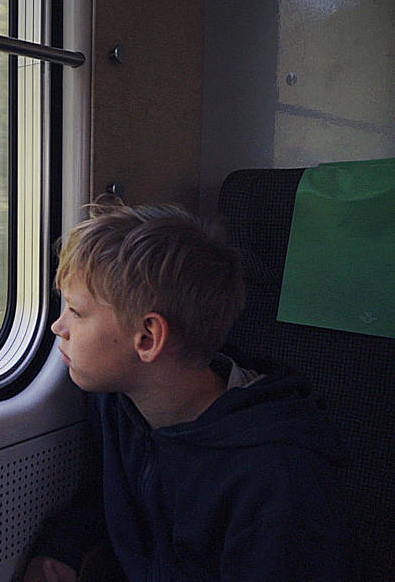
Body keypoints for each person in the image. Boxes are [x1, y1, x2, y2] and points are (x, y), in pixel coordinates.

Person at [24, 204, 349, 582]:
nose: (57, 326)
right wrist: (61, 552)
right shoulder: (118, 401)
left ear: (147, 338)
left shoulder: (279, 481)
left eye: (77, 312)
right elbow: (106, 502)